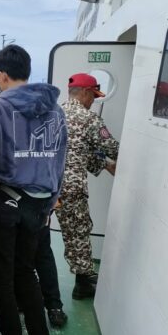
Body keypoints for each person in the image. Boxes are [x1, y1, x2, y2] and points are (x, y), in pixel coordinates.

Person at [0, 45, 67, 335]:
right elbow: (60, 157)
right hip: (40, 205)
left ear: (2, 75)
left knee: (4, 275)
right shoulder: (55, 110)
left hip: (8, 201)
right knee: (27, 272)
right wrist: (52, 197)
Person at [56, 73, 120, 300]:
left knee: (57, 234)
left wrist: (102, 164)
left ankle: (80, 278)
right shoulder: (88, 119)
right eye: (93, 95)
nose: (93, 101)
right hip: (72, 187)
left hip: (49, 187)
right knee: (79, 231)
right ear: (84, 92)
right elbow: (113, 148)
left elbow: (76, 149)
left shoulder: (55, 113)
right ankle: (83, 283)